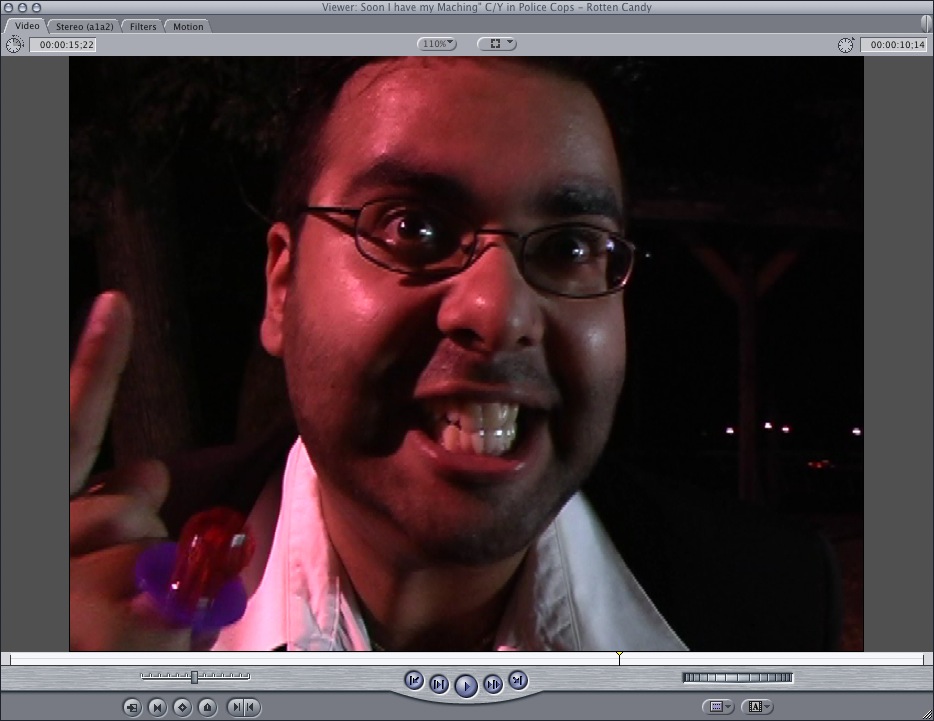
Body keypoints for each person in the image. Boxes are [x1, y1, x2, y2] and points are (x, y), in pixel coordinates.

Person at [69, 58, 838, 652]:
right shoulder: (80, 586)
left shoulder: (769, 604)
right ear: (281, 286)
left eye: (572, 247)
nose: (499, 313)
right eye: (411, 227)